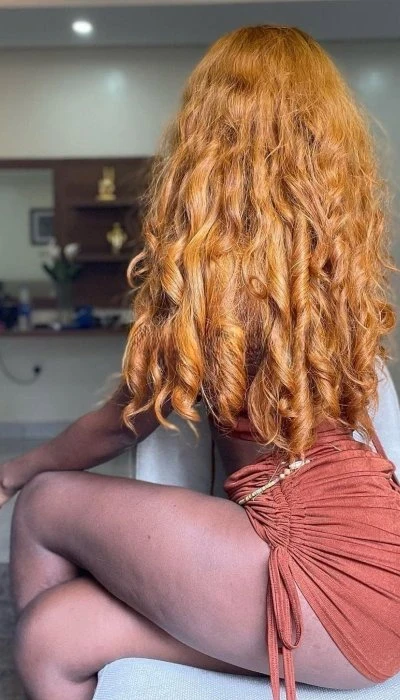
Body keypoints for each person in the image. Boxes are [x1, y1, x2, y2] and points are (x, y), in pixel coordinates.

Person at [1, 24, 400, 700]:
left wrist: (13, 472)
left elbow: (122, 422)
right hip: (375, 568)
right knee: (51, 638)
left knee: (43, 503)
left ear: (209, 141)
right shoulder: (321, 279)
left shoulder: (221, 290)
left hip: (318, 573)